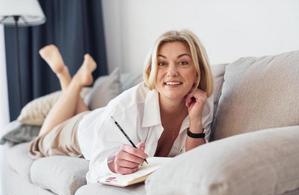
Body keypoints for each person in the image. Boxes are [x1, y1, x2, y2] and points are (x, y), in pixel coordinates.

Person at [29, 30, 214, 183]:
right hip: (80, 131)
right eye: (162, 63)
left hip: (104, 121)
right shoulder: (128, 107)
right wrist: (113, 164)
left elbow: (194, 164)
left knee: (91, 115)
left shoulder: (201, 104)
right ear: (151, 72)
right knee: (38, 142)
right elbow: (95, 171)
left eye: (183, 62)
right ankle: (69, 78)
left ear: (197, 73)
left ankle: (73, 81)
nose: (172, 72)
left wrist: (196, 121)